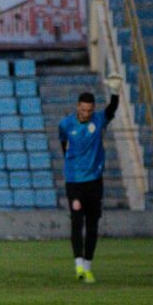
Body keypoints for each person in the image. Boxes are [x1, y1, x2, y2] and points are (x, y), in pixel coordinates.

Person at [59, 82, 121, 282]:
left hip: (95, 181)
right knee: (77, 220)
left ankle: (88, 266)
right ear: (78, 107)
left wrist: (115, 92)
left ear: (93, 109)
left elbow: (111, 109)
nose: (86, 113)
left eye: (89, 110)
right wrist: (72, 163)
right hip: (75, 181)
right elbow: (63, 143)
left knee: (92, 224)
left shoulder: (99, 120)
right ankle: (78, 266)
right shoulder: (66, 124)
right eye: (83, 109)